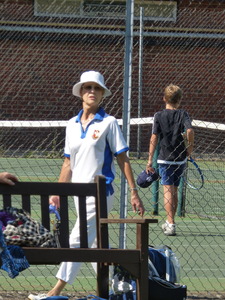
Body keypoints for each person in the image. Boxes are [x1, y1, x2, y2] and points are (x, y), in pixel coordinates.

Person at [28, 70, 145, 300]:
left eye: (97, 88)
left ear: (102, 95)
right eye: (88, 87)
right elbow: (67, 163)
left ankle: (55, 292)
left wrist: (133, 191)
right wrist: (57, 193)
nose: (92, 91)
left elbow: (122, 158)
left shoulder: (110, 123)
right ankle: (118, 289)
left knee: (76, 239)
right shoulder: (71, 125)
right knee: (93, 244)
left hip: (100, 194)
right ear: (81, 92)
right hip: (76, 195)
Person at [146, 84, 194, 236]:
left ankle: (171, 222)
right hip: (180, 159)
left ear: (164, 98)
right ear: (179, 100)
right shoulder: (183, 114)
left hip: (164, 159)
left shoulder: (158, 116)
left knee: (167, 190)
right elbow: (190, 130)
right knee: (174, 190)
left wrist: (149, 160)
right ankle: (170, 221)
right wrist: (189, 150)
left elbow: (154, 137)